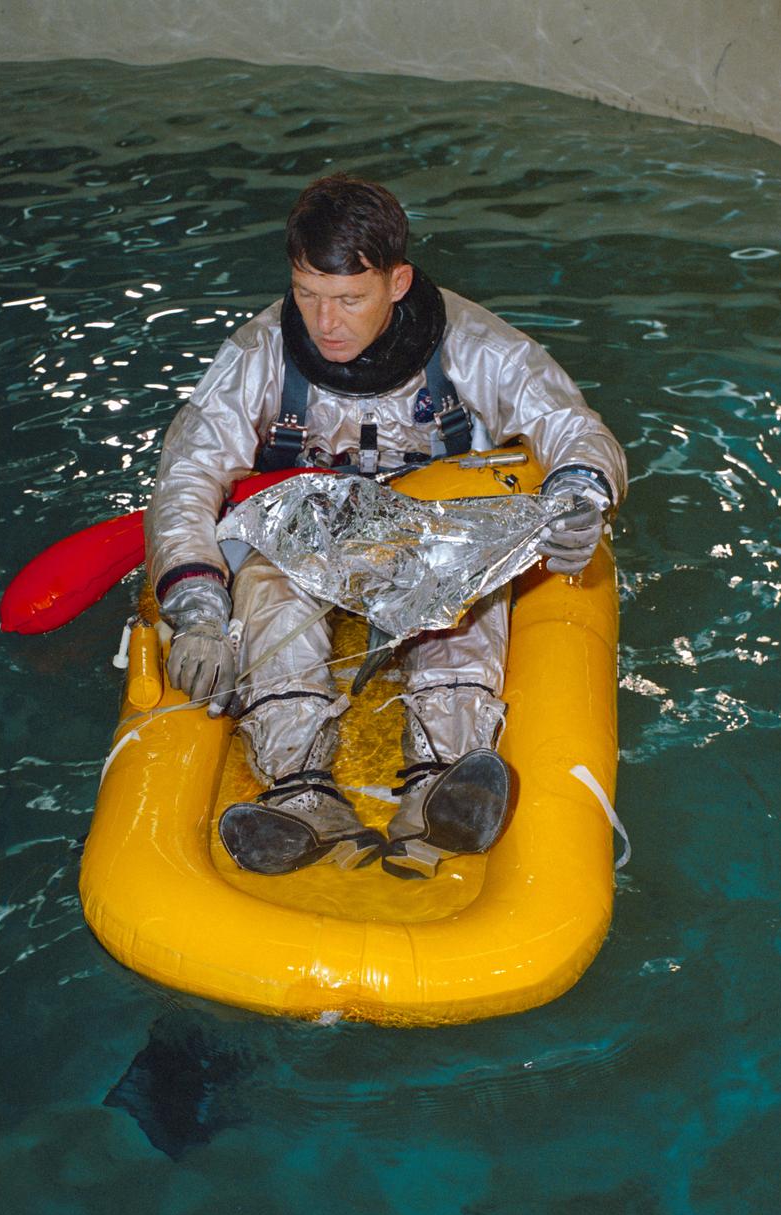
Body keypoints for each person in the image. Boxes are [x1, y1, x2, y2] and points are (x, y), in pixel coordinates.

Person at [145, 173, 627, 878]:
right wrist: (194, 606)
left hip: (432, 536)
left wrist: (582, 494)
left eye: (348, 299)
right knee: (267, 583)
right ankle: (302, 786)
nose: (325, 322)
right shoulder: (258, 356)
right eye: (307, 295)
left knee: (467, 594)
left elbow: (569, 424)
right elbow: (188, 473)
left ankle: (440, 777)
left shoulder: (474, 344)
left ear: (397, 282)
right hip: (303, 535)